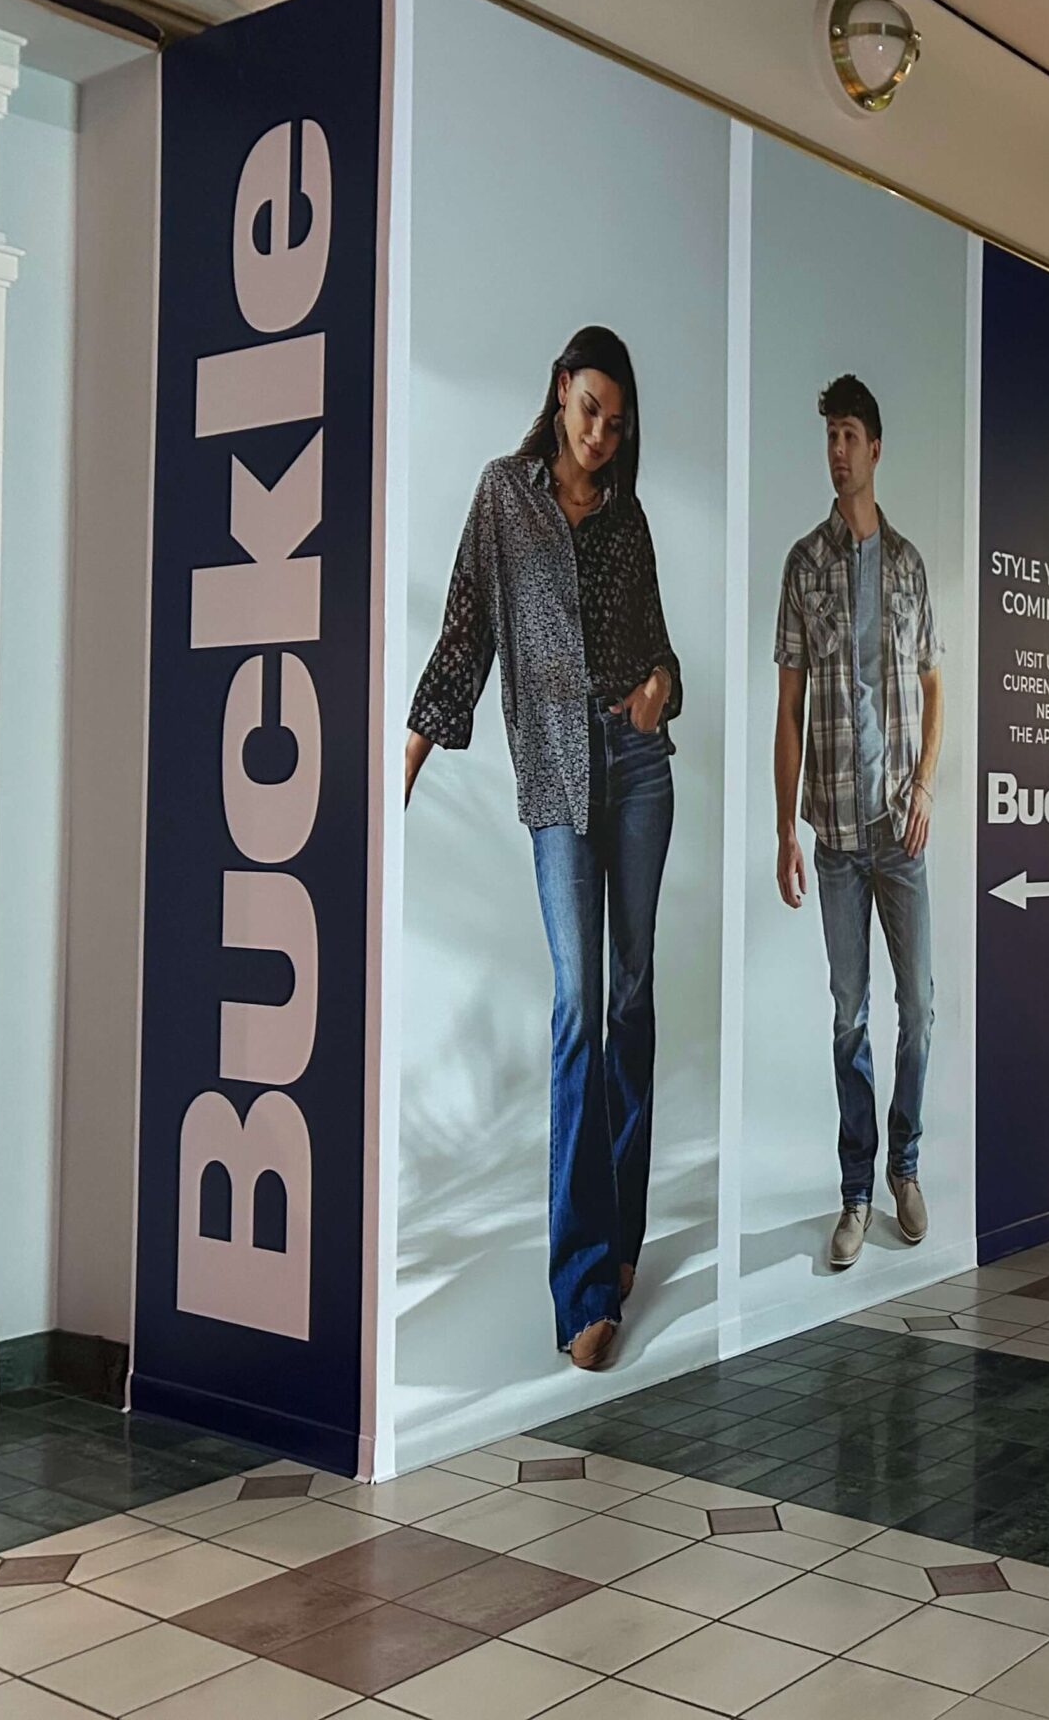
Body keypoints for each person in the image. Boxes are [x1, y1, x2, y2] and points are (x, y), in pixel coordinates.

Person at [405, 326, 680, 1374]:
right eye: (589, 408)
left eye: (617, 420)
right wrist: (412, 751)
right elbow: (466, 634)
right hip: (559, 780)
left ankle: (619, 1250)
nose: (601, 433)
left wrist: (660, 690)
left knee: (631, 998)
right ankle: (581, 1282)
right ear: (560, 390)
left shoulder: (630, 519)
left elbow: (661, 656)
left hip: (641, 769)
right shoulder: (501, 497)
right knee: (578, 1006)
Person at [773, 375, 943, 1270]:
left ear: (876, 447)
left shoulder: (911, 566)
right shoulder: (805, 563)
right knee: (850, 1017)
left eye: (849, 434)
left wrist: (924, 785)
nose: (837, 450)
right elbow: (789, 706)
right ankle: (855, 1191)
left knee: (919, 1010)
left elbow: (934, 685)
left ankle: (905, 1164)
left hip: (899, 832)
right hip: (835, 834)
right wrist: (782, 829)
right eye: (829, 436)